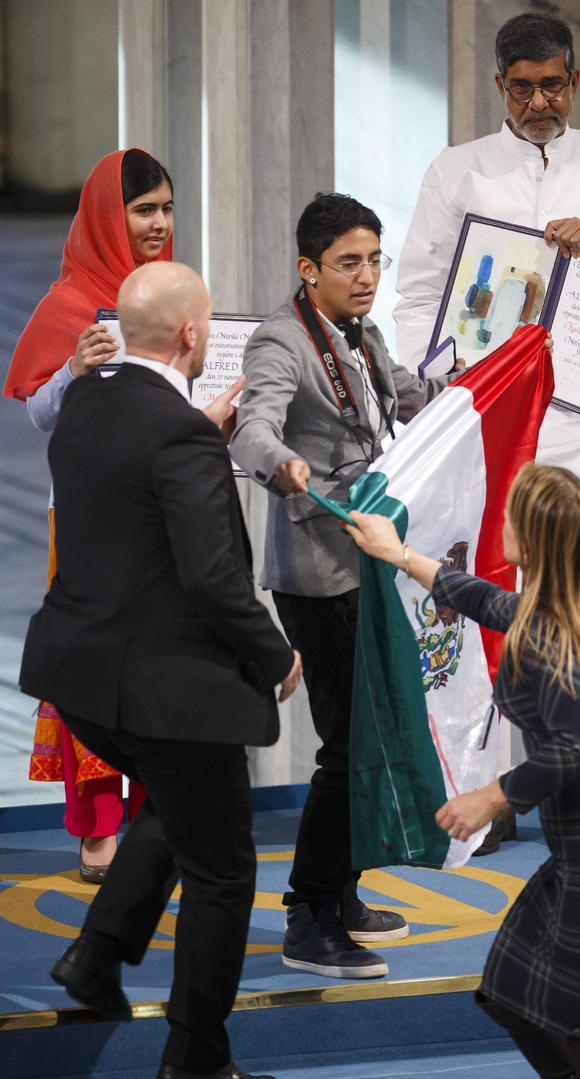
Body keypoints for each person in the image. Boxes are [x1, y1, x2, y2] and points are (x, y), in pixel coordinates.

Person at [20, 260, 301, 1079]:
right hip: (163, 684)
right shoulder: (178, 433)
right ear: (192, 335)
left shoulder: (87, 402)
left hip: (79, 678)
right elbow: (214, 576)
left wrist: (198, 443)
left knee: (181, 804)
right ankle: (196, 1058)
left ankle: (98, 956)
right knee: (222, 865)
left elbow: (131, 495)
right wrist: (275, 652)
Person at [344, 463, 580, 1079]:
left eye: (509, 514)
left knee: (565, 1027)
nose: (500, 520)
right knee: (541, 1004)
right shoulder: (574, 613)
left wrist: (489, 798)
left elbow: (571, 745)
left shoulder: (550, 632)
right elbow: (484, 599)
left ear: (529, 536)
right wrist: (399, 554)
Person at [395, 13, 580, 663]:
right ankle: (513, 767)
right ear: (500, 85)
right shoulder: (457, 171)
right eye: (521, 88)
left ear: (575, 81)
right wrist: (445, 382)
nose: (538, 104)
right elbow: (417, 296)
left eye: (552, 86)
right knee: (501, 629)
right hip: (494, 418)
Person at [230, 192, 462, 979]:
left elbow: (402, 398)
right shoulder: (280, 340)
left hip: (372, 557)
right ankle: (308, 914)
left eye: (375, 259)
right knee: (345, 746)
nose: (367, 277)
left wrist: (473, 387)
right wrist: (280, 464)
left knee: (374, 732)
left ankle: (343, 891)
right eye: (349, 263)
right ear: (309, 269)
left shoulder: (363, 331)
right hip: (316, 575)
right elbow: (250, 426)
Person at [3, 148, 176, 881]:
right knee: (93, 664)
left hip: (165, 511)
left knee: (162, 663)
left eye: (167, 208)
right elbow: (41, 415)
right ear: (111, 215)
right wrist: (73, 369)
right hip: (83, 521)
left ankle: (157, 812)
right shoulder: (70, 305)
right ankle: (99, 821)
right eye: (143, 210)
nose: (159, 223)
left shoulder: (174, 293)